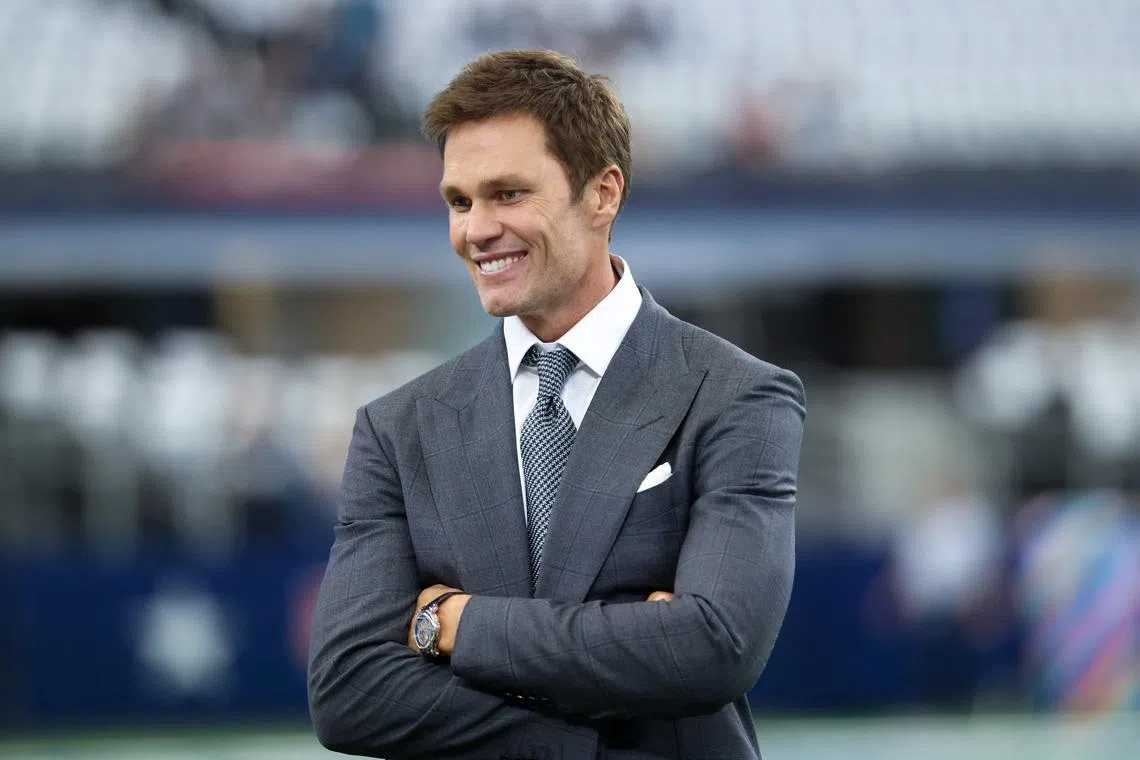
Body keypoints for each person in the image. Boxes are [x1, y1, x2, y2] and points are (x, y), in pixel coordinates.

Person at [307, 49, 806, 760]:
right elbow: (349, 695)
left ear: (603, 194)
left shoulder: (736, 396)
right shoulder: (398, 430)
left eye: (508, 193)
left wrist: (452, 625)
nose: (475, 229)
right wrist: (605, 726)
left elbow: (712, 647)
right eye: (459, 200)